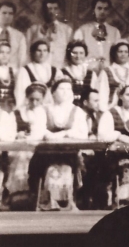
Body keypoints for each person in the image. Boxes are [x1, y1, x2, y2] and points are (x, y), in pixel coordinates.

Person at [36, 79, 88, 210]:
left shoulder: (77, 111)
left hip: (69, 155)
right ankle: (49, 203)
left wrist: (65, 133)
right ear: (53, 92)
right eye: (61, 89)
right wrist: (48, 135)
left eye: (68, 89)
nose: (65, 92)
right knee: (51, 171)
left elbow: (83, 134)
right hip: (46, 155)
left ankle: (67, 203)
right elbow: (38, 130)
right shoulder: (43, 110)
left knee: (67, 171)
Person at [73, 0, 122, 73]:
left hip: (108, 71)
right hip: (88, 71)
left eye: (105, 9)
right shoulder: (82, 30)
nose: (102, 11)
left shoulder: (115, 32)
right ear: (93, 10)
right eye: (99, 8)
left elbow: (118, 54)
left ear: (108, 11)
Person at [26, 0, 71, 68]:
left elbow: (69, 53)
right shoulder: (33, 30)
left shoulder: (66, 30)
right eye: (49, 9)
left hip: (59, 68)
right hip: (38, 69)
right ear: (44, 11)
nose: (52, 12)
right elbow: (27, 53)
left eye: (55, 9)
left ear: (59, 11)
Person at [14, 40, 58, 108]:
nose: (42, 54)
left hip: (51, 108)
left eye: (45, 50)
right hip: (32, 107)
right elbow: (20, 94)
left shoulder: (55, 71)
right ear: (33, 52)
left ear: (48, 53)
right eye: (39, 50)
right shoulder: (25, 70)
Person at [98, 40, 129, 109]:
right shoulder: (107, 71)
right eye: (120, 51)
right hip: (111, 108)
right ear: (114, 53)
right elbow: (102, 93)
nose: (123, 54)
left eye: (126, 52)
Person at [61, 41, 99, 108]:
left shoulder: (91, 74)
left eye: (81, 53)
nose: (78, 56)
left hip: (86, 110)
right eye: (74, 53)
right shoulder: (62, 72)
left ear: (85, 54)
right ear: (69, 54)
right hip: (68, 108)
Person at [0, 2, 27, 67]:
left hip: (12, 73)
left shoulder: (19, 36)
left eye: (10, 14)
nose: (7, 16)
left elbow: (22, 59)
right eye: (4, 13)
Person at [0, 40, 18, 112]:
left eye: (7, 53)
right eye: (1, 52)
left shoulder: (14, 71)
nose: (5, 55)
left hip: (10, 107)